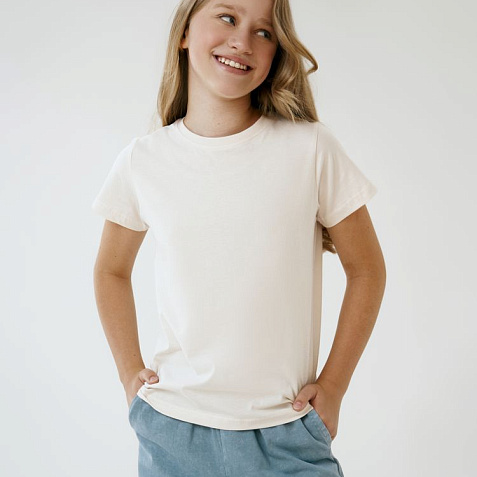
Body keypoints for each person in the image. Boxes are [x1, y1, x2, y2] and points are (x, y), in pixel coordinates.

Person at [92, 0, 386, 475]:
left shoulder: (309, 148)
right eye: (227, 18)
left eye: (264, 32)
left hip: (288, 429)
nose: (242, 41)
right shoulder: (143, 161)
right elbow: (110, 270)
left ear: (276, 52)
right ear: (185, 32)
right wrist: (130, 374)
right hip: (172, 430)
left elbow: (367, 269)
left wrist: (334, 386)